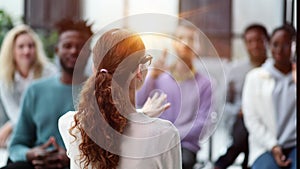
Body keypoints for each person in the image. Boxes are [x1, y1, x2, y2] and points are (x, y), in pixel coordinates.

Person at [58, 28, 182, 169]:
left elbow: (117, 121)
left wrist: (143, 114)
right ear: (139, 71)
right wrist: (143, 115)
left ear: (94, 69)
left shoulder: (70, 126)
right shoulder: (166, 135)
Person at [2, 19, 93, 169]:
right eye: (67, 46)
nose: (73, 51)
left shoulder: (98, 93)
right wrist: (31, 154)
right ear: (57, 50)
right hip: (37, 164)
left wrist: (72, 158)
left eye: (80, 46)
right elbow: (16, 145)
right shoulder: (35, 90)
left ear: (89, 52)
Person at [137, 23, 213, 169]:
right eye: (180, 38)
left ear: (198, 46)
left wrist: (171, 134)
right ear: (172, 42)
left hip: (185, 146)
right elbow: (139, 101)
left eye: (191, 39)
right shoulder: (158, 77)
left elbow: (203, 123)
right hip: (155, 141)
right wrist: (151, 75)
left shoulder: (205, 84)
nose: (186, 43)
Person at [214, 24, 269, 169]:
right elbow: (222, 105)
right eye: (250, 41)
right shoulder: (235, 71)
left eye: (259, 40)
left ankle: (224, 161)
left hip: (268, 123)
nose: (255, 45)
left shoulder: (273, 69)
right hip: (240, 121)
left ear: (267, 42)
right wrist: (239, 110)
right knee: (246, 126)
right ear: (245, 44)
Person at [242, 24, 296, 169]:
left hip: (294, 145)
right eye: (275, 44)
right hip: (265, 146)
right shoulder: (254, 77)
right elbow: (252, 120)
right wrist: (273, 145)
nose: (279, 50)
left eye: (285, 45)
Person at [0, 25, 57, 149]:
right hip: (21, 131)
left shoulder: (49, 72)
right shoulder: (5, 78)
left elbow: (48, 110)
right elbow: (13, 112)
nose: (26, 51)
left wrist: (10, 126)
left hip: (45, 130)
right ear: (12, 51)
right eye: (21, 47)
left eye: (31, 46)